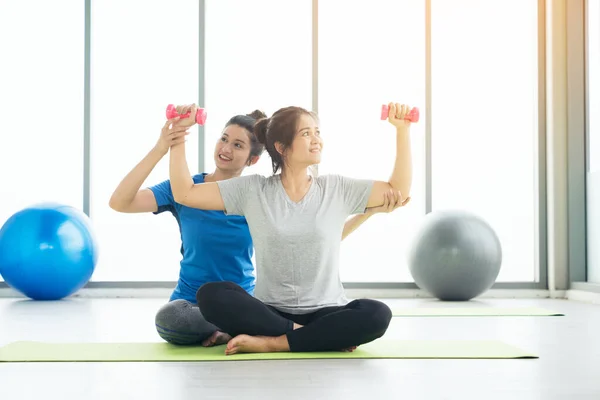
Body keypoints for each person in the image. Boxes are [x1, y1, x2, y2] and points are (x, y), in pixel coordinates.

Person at [109, 108, 406, 347]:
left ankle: (270, 338)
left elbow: (319, 238)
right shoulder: (225, 191)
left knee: (377, 313)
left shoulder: (307, 191)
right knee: (193, 305)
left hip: (284, 308)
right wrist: (171, 142)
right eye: (223, 139)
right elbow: (156, 196)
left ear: (253, 158)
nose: (226, 149)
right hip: (237, 306)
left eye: (237, 145)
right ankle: (305, 334)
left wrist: (401, 134)